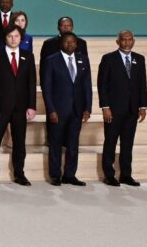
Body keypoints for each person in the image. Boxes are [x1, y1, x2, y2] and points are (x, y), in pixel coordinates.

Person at [0, 24, 37, 186]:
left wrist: (32, 106)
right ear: (5, 38)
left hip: (20, 108)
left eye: (16, 36)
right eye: (10, 36)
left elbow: (31, 83)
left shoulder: (28, 56)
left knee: (19, 142)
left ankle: (19, 174)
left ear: (21, 38)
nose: (13, 39)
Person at [98, 30, 147, 187]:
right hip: (113, 110)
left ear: (134, 41)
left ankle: (126, 175)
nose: (127, 42)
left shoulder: (139, 59)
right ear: (117, 42)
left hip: (132, 110)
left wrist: (143, 105)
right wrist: (105, 107)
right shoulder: (108, 59)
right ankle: (109, 175)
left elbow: (142, 84)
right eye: (124, 39)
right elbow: (102, 84)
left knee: (127, 144)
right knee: (110, 142)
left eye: (129, 39)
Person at [43, 32, 92, 186]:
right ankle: (55, 175)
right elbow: (47, 88)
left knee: (73, 144)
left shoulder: (83, 59)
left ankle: (70, 175)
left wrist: (87, 108)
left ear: (76, 44)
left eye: (73, 42)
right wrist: (51, 110)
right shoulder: (51, 60)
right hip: (58, 110)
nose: (70, 44)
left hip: (77, 110)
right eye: (66, 42)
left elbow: (87, 85)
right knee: (56, 143)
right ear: (61, 43)